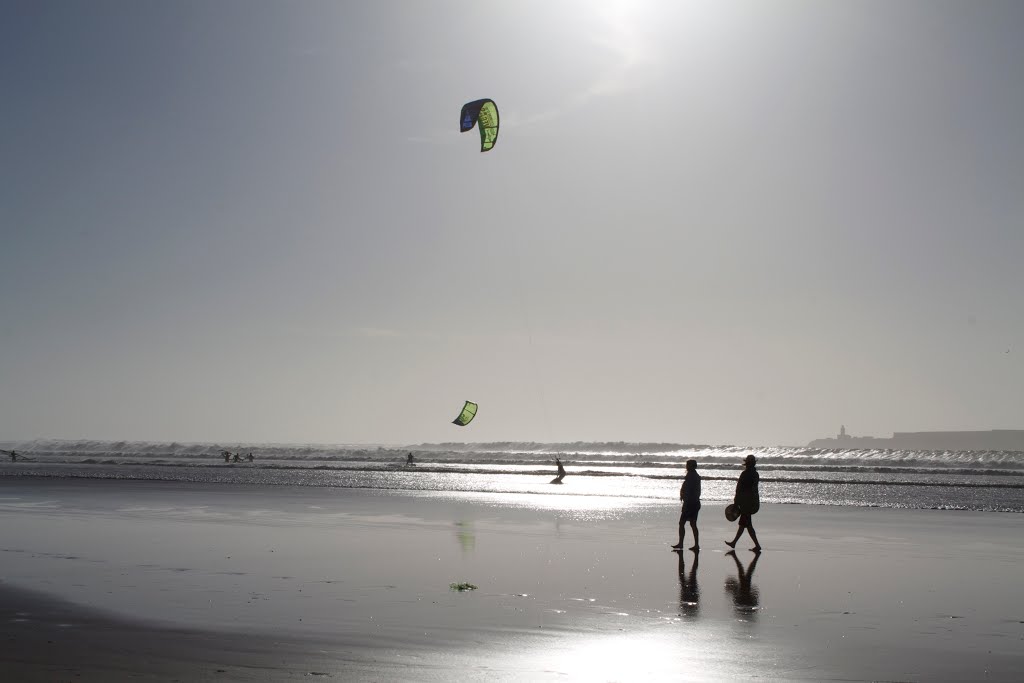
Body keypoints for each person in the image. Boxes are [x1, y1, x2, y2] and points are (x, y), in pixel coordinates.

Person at [726, 454, 762, 552]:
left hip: (746, 503)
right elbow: (753, 489)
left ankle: (756, 545)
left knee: (746, 524)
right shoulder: (756, 474)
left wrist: (736, 501)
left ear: (746, 463)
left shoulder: (745, 474)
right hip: (753, 501)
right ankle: (735, 542)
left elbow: (739, 489)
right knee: (745, 524)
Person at [672, 459, 700, 551]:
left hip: (690, 504)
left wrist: (686, 501)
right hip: (694, 503)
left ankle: (682, 543)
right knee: (692, 524)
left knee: (682, 523)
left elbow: (690, 491)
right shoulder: (693, 475)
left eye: (688, 465)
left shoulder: (691, 476)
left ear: (691, 466)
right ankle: (695, 544)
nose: (686, 466)